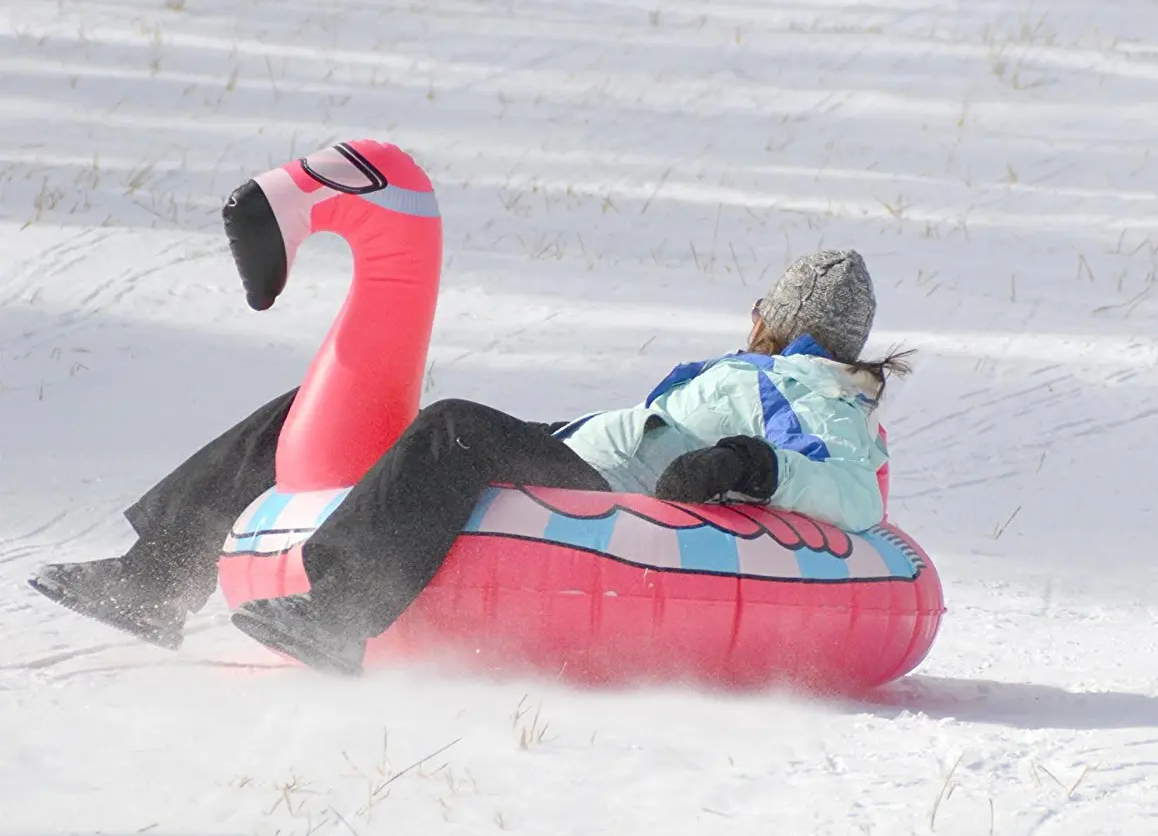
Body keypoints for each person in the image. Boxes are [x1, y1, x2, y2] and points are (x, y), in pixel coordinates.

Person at [30, 249, 910, 674]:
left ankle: (341, 611)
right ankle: (155, 578)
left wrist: (747, 464)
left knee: (453, 426)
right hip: (577, 456)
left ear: (777, 318)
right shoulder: (769, 376)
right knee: (321, 410)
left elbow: (851, 494)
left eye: (762, 309)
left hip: (604, 496)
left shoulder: (816, 390)